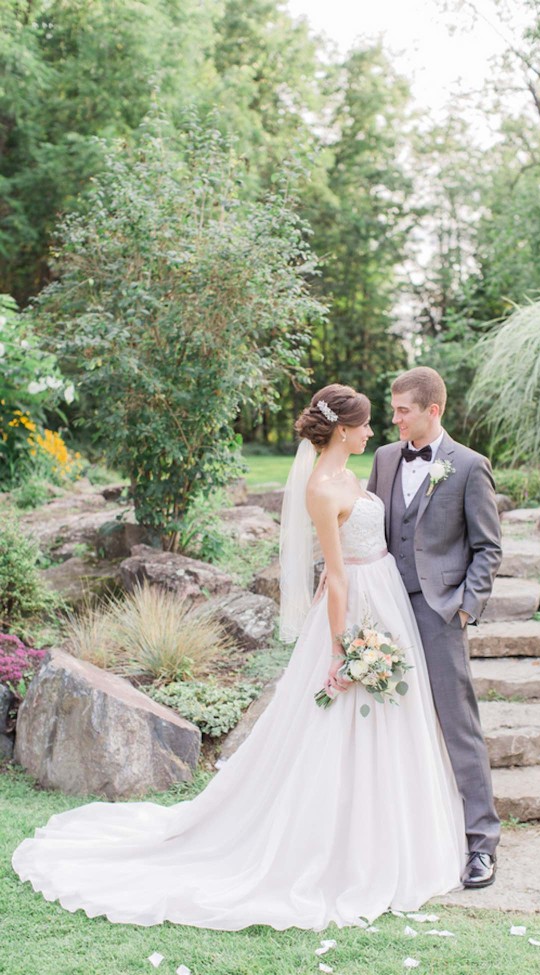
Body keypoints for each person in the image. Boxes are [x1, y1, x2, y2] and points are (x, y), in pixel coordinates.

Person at [12, 383, 465, 931]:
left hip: (385, 597)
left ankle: (393, 837)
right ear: (344, 430)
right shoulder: (322, 488)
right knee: (338, 728)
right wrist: (344, 649)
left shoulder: (350, 475)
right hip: (358, 610)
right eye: (367, 423)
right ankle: (343, 850)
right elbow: (336, 575)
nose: (374, 431)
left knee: (393, 722)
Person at [367, 366, 502, 889]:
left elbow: (488, 547)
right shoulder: (382, 459)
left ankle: (480, 845)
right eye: (394, 408)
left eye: (403, 410)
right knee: (386, 720)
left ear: (433, 410)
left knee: (457, 724)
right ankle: (395, 835)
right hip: (383, 609)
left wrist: (466, 607)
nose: (394, 418)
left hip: (439, 612)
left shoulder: (468, 466)